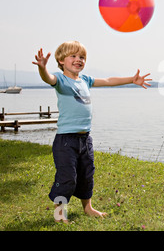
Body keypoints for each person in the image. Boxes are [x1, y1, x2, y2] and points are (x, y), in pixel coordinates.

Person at [32, 41, 151, 223]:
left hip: (85, 139)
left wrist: (131, 80)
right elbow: (47, 78)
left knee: (87, 175)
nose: (78, 60)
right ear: (61, 60)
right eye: (73, 56)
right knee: (67, 178)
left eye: (82, 57)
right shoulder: (60, 80)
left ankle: (88, 207)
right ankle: (59, 214)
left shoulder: (85, 80)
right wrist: (42, 68)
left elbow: (109, 81)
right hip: (66, 141)